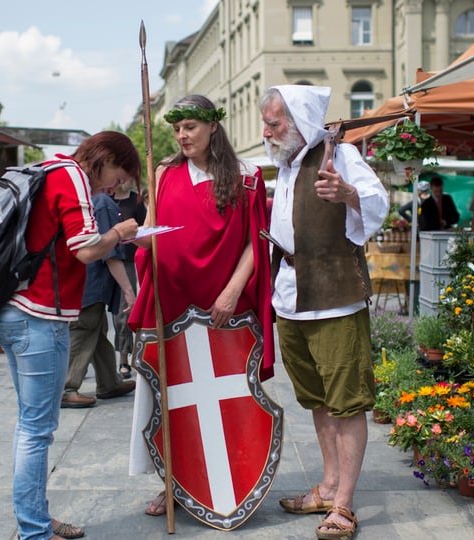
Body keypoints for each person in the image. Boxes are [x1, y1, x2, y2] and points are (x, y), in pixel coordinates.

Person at [128, 94, 274, 517]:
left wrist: (231, 291)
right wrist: (132, 237)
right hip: (172, 305)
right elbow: (152, 231)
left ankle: (234, 480)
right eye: (177, 129)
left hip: (226, 311)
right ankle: (173, 483)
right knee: (169, 399)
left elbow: (255, 242)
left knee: (230, 400)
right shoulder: (164, 172)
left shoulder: (247, 175)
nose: (181, 135)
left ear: (213, 126)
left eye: (190, 126)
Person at [0, 131, 141, 540]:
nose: (116, 187)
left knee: (31, 425)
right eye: (119, 176)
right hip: (38, 315)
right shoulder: (72, 175)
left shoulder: (48, 168)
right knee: (36, 430)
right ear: (105, 158)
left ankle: (36, 519)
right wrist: (120, 233)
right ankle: (35, 531)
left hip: (15, 310)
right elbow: (86, 248)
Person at [260, 85, 388, 540]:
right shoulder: (286, 164)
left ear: (298, 123)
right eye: (267, 122)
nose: (266, 131)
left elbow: (379, 204)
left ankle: (345, 505)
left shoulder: (341, 155)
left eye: (274, 123)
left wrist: (348, 193)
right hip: (292, 297)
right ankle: (328, 485)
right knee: (316, 399)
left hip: (335, 299)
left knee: (346, 401)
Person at [60, 192, 137, 408]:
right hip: (91, 283)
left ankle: (108, 382)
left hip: (84, 280)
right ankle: (66, 388)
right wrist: (128, 289)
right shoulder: (102, 203)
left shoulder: (88, 199)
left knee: (96, 331)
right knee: (84, 329)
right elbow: (109, 252)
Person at [111, 179, 146, 379]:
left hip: (127, 260)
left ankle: (124, 360)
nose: (122, 180)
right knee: (98, 317)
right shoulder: (104, 199)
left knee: (123, 314)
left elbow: (143, 230)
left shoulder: (137, 201)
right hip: (105, 260)